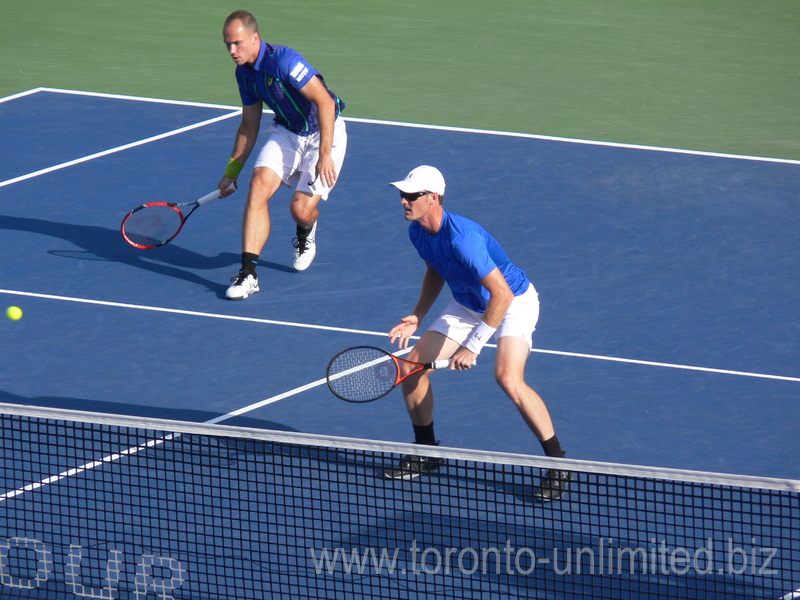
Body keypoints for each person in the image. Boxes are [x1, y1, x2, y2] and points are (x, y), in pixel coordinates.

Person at [385, 165, 573, 501]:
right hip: (468, 305)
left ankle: (559, 463)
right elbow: (435, 271)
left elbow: (502, 295)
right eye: (402, 194)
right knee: (410, 369)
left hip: (513, 302)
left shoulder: (463, 239)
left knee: (508, 378)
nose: (403, 201)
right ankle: (428, 453)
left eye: (412, 195)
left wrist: (472, 346)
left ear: (433, 198)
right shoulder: (418, 231)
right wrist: (418, 315)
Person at [218, 10, 347, 300]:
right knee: (258, 184)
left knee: (300, 210)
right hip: (288, 132)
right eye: (227, 44)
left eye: (237, 43)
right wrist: (231, 172)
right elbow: (249, 124)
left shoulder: (284, 61)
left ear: (255, 38)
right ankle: (248, 274)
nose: (232, 50)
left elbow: (325, 102)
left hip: (324, 132)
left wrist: (325, 154)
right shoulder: (244, 75)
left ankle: (307, 227)